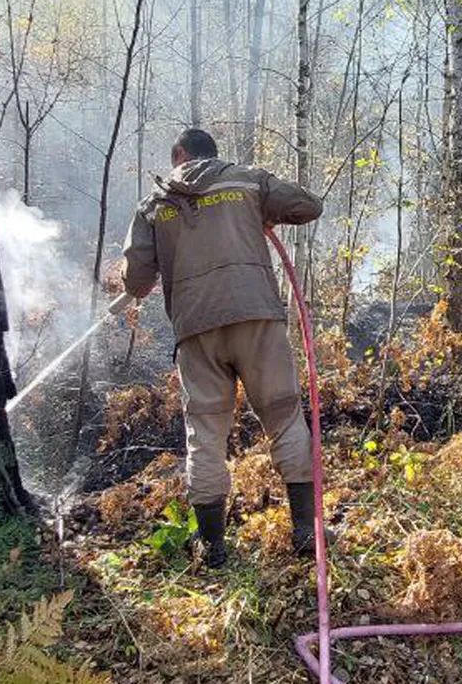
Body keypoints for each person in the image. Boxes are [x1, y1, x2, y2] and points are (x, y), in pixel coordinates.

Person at [118, 128, 323, 568]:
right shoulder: (246, 181)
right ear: (214, 154)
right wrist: (263, 212)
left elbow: (136, 281)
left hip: (196, 331)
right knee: (284, 415)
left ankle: (212, 548)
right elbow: (308, 205)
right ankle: (305, 531)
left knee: (206, 433)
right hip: (257, 318)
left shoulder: (153, 204)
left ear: (178, 155)